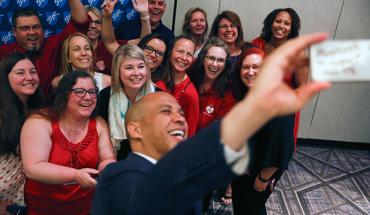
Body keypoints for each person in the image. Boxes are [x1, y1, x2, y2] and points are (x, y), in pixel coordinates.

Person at [91, 32, 331, 215]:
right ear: (135, 128)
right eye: (166, 112)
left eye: (179, 111)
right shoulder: (122, 178)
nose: (179, 119)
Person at [20, 71, 116, 215]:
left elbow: (107, 158)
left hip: (86, 208)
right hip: (43, 208)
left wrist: (107, 170)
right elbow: (33, 168)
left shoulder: (98, 123)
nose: (88, 97)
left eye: (92, 91)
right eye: (79, 91)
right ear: (64, 95)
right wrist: (76, 175)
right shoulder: (39, 121)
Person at [231, 46, 295, 215]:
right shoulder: (248, 94)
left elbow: (280, 146)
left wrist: (263, 178)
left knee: (252, 208)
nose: (250, 72)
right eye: (245, 67)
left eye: (256, 67)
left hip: (260, 172)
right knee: (241, 207)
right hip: (243, 168)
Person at [0, 1, 90, 96]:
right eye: (25, 28)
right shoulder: (4, 52)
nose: (32, 32)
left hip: (50, 109)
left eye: (36, 27)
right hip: (15, 109)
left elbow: (80, 22)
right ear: (14, 32)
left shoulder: (53, 45)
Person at [188, 37, 236, 211]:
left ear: (226, 64)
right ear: (203, 59)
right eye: (211, 58)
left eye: (220, 60)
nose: (215, 64)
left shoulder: (227, 93)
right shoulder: (190, 78)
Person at [252, 8, 305, 145]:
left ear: (291, 28)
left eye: (286, 23)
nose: (281, 26)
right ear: (271, 23)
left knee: (273, 152)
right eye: (278, 21)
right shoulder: (257, 44)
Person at [0, 53, 43, 215]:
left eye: (33, 72)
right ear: (5, 78)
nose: (29, 77)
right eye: (20, 73)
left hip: (19, 203)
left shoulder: (37, 113)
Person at [96, 44, 155, 160]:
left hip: (150, 163)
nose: (136, 73)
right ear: (117, 71)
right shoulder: (104, 97)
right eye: (129, 67)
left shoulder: (159, 97)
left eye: (141, 66)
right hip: (114, 161)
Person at [155, 35, 199, 137]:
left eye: (189, 54)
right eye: (180, 51)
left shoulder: (190, 94)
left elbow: (189, 135)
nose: (184, 58)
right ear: (170, 52)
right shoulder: (157, 73)